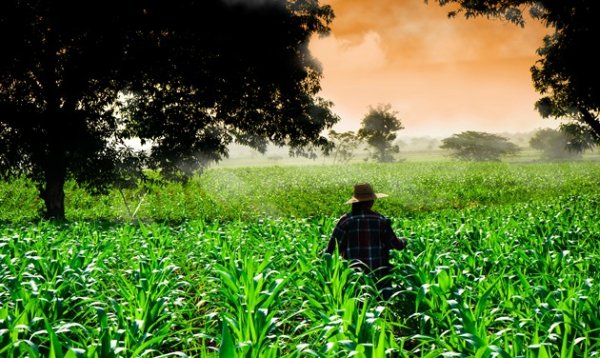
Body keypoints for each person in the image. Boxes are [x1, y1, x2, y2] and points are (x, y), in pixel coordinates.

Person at [324, 183, 407, 300]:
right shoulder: (380, 220)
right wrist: (403, 241)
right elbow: (396, 245)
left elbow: (330, 250)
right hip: (378, 276)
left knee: (356, 303)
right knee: (382, 301)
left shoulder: (345, 221)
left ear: (355, 202)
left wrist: (321, 255)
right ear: (371, 202)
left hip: (354, 276)